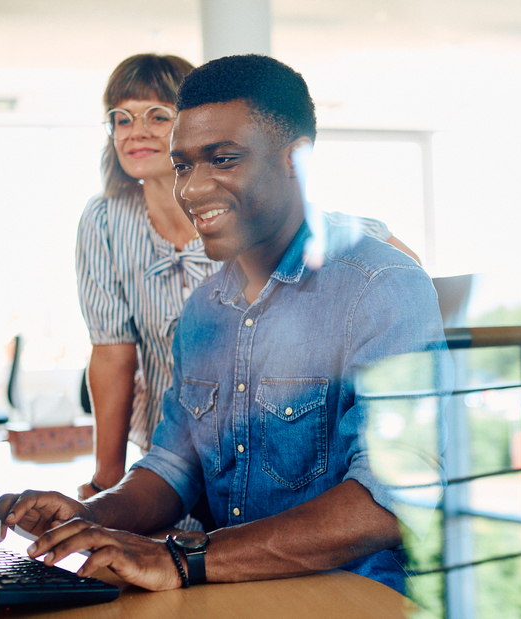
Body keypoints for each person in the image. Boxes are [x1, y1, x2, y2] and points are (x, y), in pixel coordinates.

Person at [0, 54, 448, 593]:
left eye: (223, 159)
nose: (192, 189)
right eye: (182, 165)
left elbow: (390, 499)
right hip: (237, 590)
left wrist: (184, 559)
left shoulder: (381, 286)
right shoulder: (203, 310)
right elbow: (174, 466)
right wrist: (91, 515)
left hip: (359, 595)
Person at [76, 54, 418, 501]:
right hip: (175, 461)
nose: (135, 131)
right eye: (121, 119)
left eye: (156, 116)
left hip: (288, 469)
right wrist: (105, 486)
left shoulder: (268, 217)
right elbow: (112, 353)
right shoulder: (105, 220)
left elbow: (392, 267)